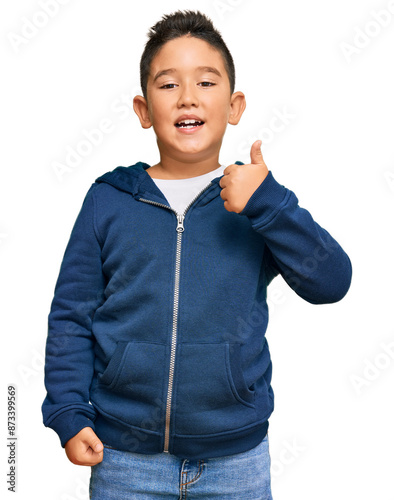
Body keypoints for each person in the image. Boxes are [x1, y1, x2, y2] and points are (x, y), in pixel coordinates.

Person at [42, 9, 352, 499]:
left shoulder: (256, 201)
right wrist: (66, 411)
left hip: (237, 464)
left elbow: (332, 282)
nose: (188, 96)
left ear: (234, 105)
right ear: (144, 111)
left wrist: (270, 204)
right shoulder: (108, 201)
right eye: (168, 86)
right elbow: (71, 318)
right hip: (125, 461)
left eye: (206, 82)